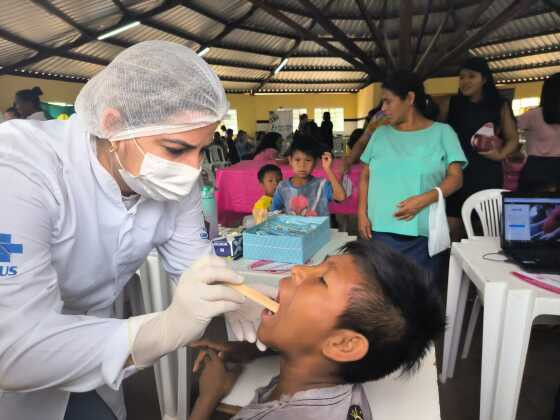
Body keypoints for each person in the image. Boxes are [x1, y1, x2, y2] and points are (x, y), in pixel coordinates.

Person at [0, 41, 267, 420]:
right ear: (113, 125)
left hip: (97, 332)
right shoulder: (20, 170)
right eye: (176, 149)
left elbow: (195, 263)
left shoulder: (172, 182)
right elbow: (13, 350)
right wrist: (165, 329)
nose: (192, 169)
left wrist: (241, 294)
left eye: (202, 149)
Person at [189, 239, 446, 420]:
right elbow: (311, 346)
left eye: (322, 280)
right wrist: (250, 351)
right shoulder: (336, 383)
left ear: (344, 345)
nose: (298, 270)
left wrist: (208, 397)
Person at [359, 71, 467, 273]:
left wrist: (425, 199)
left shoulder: (443, 133)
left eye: (388, 102)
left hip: (421, 233)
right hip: (377, 230)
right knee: (380, 294)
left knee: (418, 295)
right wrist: (361, 213)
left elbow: (456, 178)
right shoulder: (380, 134)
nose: (383, 109)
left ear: (410, 98)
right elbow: (365, 174)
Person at [439, 57, 518, 241]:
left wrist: (500, 155)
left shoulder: (499, 105)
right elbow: (438, 135)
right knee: (452, 228)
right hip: (456, 172)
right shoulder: (451, 104)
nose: (465, 81)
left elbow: (513, 138)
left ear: (484, 79)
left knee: (484, 227)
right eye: (462, 77)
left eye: (471, 76)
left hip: (486, 173)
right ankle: (451, 267)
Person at [272, 133, 346, 217]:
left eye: (308, 160)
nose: (302, 165)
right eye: (297, 160)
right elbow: (274, 212)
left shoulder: (321, 185)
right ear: (290, 160)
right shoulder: (282, 187)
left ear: (315, 162)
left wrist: (328, 169)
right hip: (292, 229)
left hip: (318, 229)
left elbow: (341, 197)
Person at [517, 72, 560, 192]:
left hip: (535, 169)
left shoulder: (533, 114)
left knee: (530, 208)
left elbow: (509, 128)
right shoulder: (534, 114)